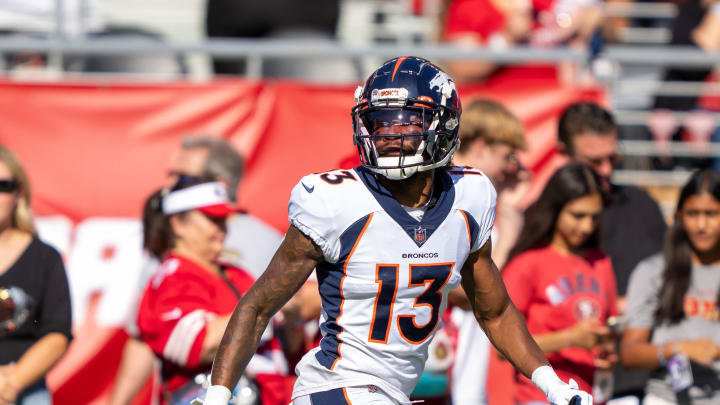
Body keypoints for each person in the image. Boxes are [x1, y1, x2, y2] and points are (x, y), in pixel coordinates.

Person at [200, 56, 592, 405]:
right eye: (379, 122)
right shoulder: (335, 200)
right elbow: (257, 307)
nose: (389, 134)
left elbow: (495, 310)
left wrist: (552, 384)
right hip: (337, 386)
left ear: (445, 125)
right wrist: (218, 394)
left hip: (397, 390)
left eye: (406, 122)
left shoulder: (470, 196)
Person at [109, 136, 287, 405]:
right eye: (212, 220)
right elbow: (196, 345)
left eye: (223, 220)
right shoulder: (171, 278)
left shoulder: (236, 272)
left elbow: (289, 333)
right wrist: (265, 307)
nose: (222, 230)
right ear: (178, 224)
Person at [502, 162, 618, 404]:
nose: (587, 226)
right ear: (555, 210)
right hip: (539, 396)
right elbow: (502, 347)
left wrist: (606, 348)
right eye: (578, 215)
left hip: (590, 395)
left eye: (594, 217)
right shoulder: (527, 264)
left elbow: (608, 327)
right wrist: (569, 339)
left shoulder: (601, 262)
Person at [448, 98, 529, 405]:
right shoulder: (446, 201)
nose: (511, 167)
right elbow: (470, 291)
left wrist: (508, 209)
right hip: (438, 373)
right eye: (507, 155)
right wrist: (507, 236)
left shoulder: (482, 209)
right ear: (481, 147)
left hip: (467, 381)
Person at [621, 169, 720, 405]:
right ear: (678, 216)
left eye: (711, 213)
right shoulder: (653, 271)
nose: (701, 224)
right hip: (666, 395)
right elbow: (629, 352)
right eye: (693, 214)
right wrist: (678, 349)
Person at [0, 145, 72, 405]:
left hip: (25, 389)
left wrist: (11, 384)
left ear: (19, 192)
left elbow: (57, 334)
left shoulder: (45, 258)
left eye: (4, 185)